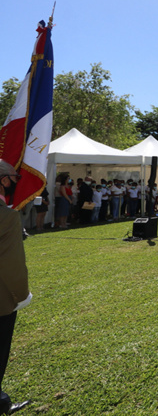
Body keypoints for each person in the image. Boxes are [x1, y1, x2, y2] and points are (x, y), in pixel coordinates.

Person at [0, 160, 32, 414]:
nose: (15, 183)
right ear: (3, 180)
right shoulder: (7, 216)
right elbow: (12, 264)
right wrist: (21, 295)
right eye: (14, 178)